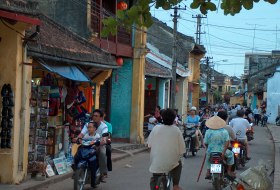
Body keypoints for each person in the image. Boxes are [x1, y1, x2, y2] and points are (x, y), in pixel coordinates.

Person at [148, 108, 185, 190]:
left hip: (156, 161)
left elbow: (149, 145)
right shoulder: (176, 130)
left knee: (156, 173)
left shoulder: (156, 128)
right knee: (179, 163)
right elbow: (182, 149)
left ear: (162, 117)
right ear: (173, 119)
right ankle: (175, 186)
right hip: (172, 161)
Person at [77, 109, 109, 182]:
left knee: (102, 153)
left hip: (99, 144)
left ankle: (102, 173)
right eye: (93, 116)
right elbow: (82, 133)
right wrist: (78, 138)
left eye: (96, 116)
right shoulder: (88, 124)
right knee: (78, 151)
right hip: (87, 143)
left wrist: (102, 141)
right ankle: (76, 168)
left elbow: (104, 137)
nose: (94, 117)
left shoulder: (104, 126)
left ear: (101, 118)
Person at [73, 121, 100, 188]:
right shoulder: (85, 135)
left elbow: (99, 142)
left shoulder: (97, 136)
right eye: (88, 127)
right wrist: (77, 140)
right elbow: (80, 140)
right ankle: (76, 171)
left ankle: (93, 182)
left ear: (95, 128)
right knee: (76, 156)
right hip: (84, 150)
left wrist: (97, 143)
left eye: (90, 127)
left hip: (92, 151)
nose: (89, 129)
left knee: (93, 165)